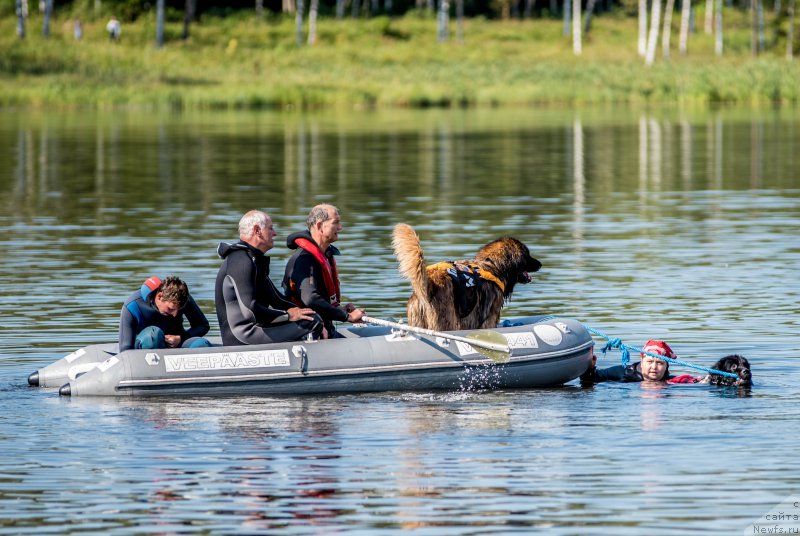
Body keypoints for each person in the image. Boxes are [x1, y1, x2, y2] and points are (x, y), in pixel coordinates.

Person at [215, 210, 324, 346]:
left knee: (312, 319)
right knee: (313, 323)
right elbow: (251, 312)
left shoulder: (252, 259)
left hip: (257, 328)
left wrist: (307, 313)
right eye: (270, 228)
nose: (275, 233)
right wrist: (290, 315)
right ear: (257, 230)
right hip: (242, 338)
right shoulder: (241, 261)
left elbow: (277, 300)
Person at [283, 204, 365, 337]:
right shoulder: (305, 259)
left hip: (325, 329)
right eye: (336, 223)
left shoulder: (324, 255)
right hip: (308, 334)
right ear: (320, 226)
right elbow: (310, 299)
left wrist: (340, 310)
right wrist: (346, 316)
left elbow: (319, 302)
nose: (340, 228)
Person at [119, 276, 211, 352]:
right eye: (171, 309)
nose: (175, 314)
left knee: (202, 344)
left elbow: (202, 325)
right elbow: (125, 349)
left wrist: (181, 338)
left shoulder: (183, 299)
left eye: (179, 310)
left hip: (177, 344)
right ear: (159, 297)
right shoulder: (132, 305)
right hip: (147, 345)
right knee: (153, 336)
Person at [581, 339, 677, 385]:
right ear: (642, 361)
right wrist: (590, 367)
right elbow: (588, 379)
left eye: (660, 363)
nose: (654, 367)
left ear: (666, 366)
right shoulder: (624, 372)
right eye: (650, 361)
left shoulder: (673, 381)